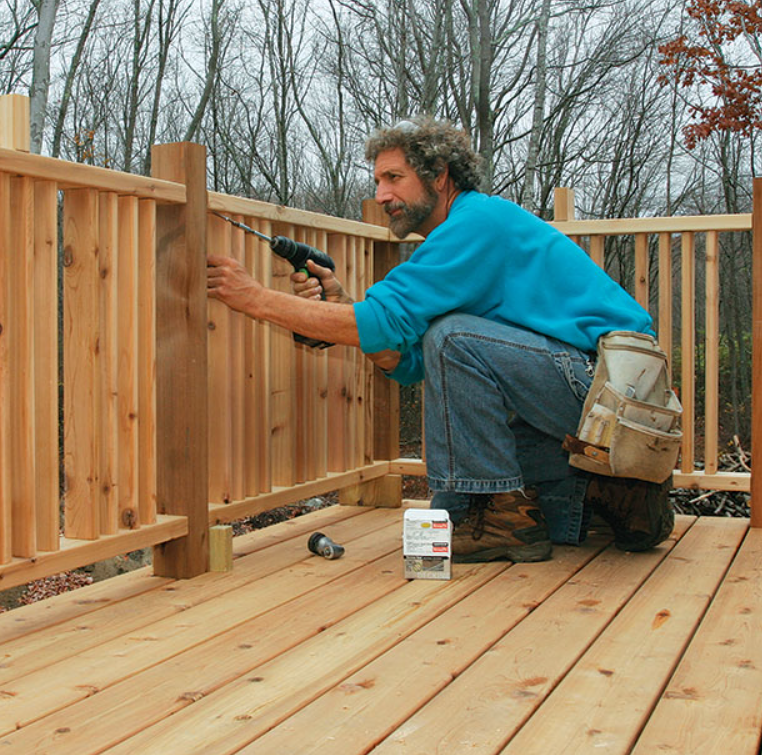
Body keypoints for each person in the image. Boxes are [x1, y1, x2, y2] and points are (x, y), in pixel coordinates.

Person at [206, 115, 674, 563]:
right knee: (457, 501)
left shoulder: (477, 224)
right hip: (597, 400)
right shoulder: (461, 234)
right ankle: (611, 497)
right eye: (377, 181)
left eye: (394, 178)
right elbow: (409, 362)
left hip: (615, 392)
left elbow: (396, 328)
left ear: (440, 175)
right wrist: (343, 308)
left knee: (452, 346)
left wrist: (254, 298)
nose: (381, 194)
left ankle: (509, 520)